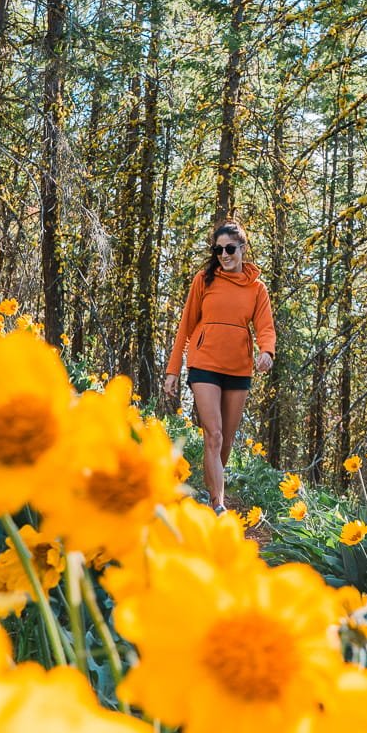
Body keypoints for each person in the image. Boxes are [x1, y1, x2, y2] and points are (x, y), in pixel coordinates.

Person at [163, 220, 276, 514]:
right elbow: (185, 326)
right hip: (204, 364)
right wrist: (173, 370)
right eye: (218, 250)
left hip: (239, 369)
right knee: (212, 434)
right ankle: (218, 503)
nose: (224, 255)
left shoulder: (256, 289)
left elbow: (265, 327)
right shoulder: (204, 280)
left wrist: (267, 352)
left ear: (242, 249)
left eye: (229, 249)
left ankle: (211, 487)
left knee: (225, 439)